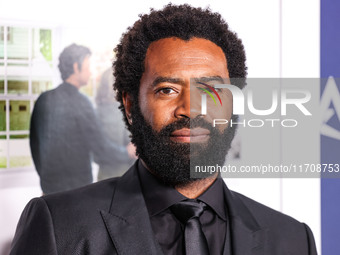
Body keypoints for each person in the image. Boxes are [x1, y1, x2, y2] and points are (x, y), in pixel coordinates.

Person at [11, 5, 317, 255]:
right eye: (168, 90)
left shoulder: (292, 240)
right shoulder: (59, 226)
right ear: (130, 106)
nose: (191, 108)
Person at [29, 44, 130, 194]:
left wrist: (45, 176)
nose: (90, 72)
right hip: (76, 192)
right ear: (76, 67)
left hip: (48, 189)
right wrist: (127, 153)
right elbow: (100, 148)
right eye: (88, 66)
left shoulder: (43, 99)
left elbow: (34, 144)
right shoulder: (82, 103)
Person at [95, 68, 135, 180]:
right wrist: (126, 152)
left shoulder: (97, 111)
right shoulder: (104, 112)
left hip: (110, 177)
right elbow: (97, 151)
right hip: (117, 177)